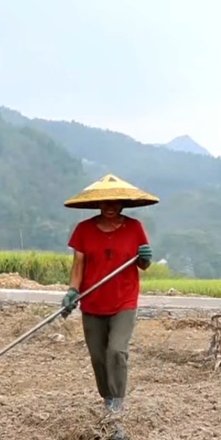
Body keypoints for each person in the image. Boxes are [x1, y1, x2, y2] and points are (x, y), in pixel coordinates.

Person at [60, 174, 157, 415]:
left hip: (124, 300)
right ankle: (107, 397)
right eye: (105, 202)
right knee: (98, 356)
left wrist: (145, 257)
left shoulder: (135, 228)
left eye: (115, 202)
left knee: (116, 351)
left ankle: (118, 403)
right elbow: (78, 266)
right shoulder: (83, 230)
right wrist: (73, 291)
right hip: (92, 301)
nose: (110, 207)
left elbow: (142, 264)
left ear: (123, 204)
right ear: (97, 204)